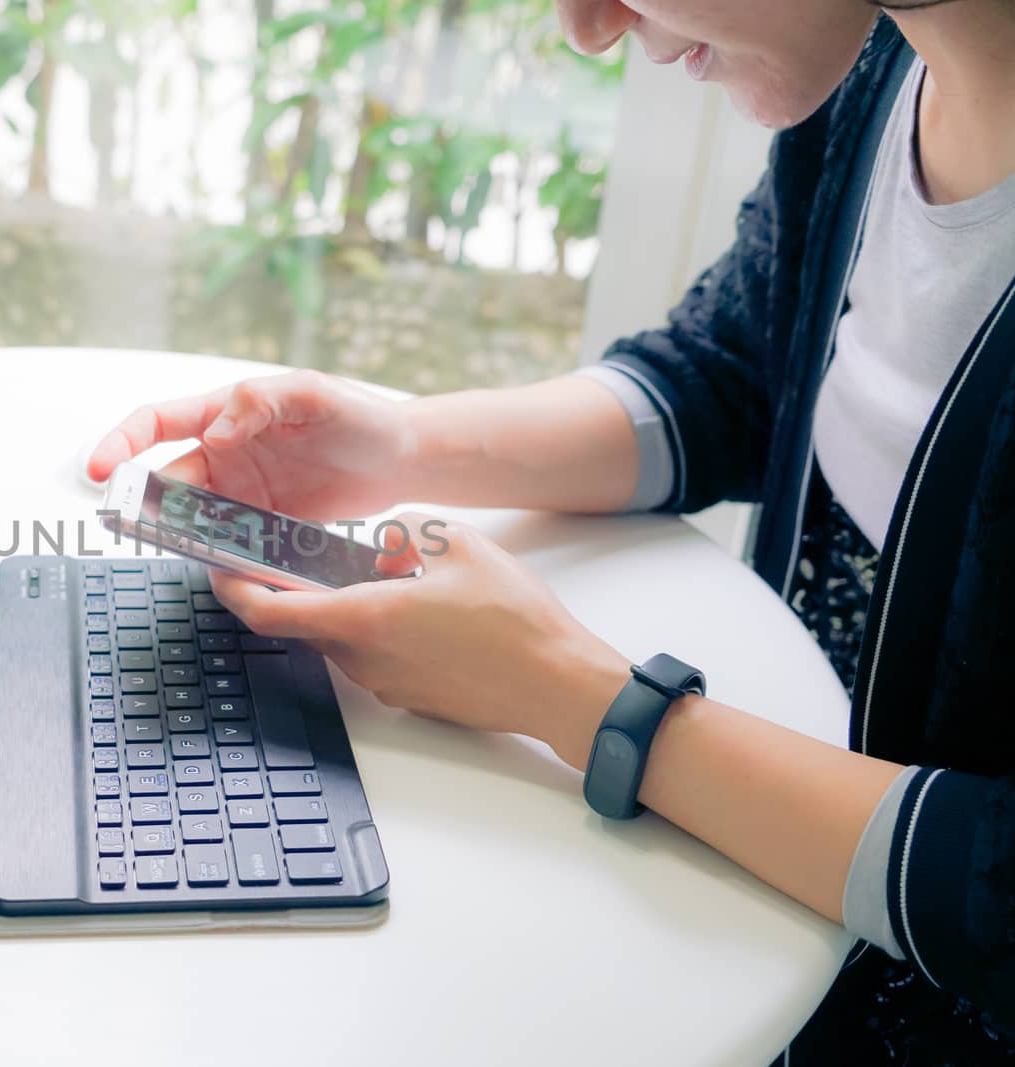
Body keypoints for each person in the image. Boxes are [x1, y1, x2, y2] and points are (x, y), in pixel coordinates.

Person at [87, 0, 1015, 1058]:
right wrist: (391, 444)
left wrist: (575, 696)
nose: (587, 25)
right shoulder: (876, 69)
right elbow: (728, 376)